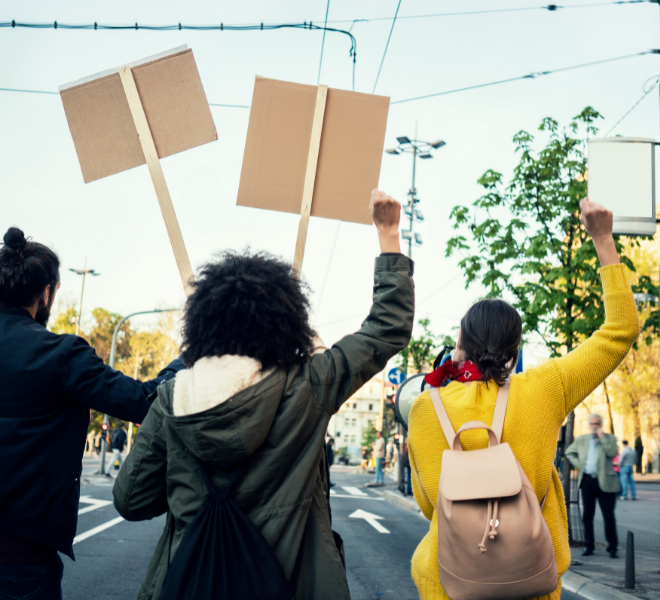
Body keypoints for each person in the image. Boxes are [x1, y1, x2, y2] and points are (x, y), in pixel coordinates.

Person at [113, 189, 415, 600]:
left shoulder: (173, 399)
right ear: (286, 323)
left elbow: (130, 500)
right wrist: (388, 234)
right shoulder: (308, 386)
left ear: (203, 325)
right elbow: (386, 328)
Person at [0, 212, 185, 599]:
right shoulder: (63, 357)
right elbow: (145, 401)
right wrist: (190, 356)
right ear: (47, 293)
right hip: (20, 560)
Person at [407, 198, 639, 599]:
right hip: (527, 581)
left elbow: (430, 506)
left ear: (459, 343)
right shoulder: (546, 388)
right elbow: (621, 328)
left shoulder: (426, 407)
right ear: (515, 350)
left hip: (447, 583)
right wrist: (603, 238)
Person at [566, 414, 620, 557]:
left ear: (601, 425)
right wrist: (580, 466)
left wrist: (601, 437)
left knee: (608, 516)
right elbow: (569, 452)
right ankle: (588, 546)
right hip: (588, 481)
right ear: (589, 425)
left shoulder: (609, 438)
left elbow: (613, 452)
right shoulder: (582, 439)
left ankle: (612, 547)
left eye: (597, 423)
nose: (594, 426)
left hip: (606, 483)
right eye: (592, 423)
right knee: (587, 516)